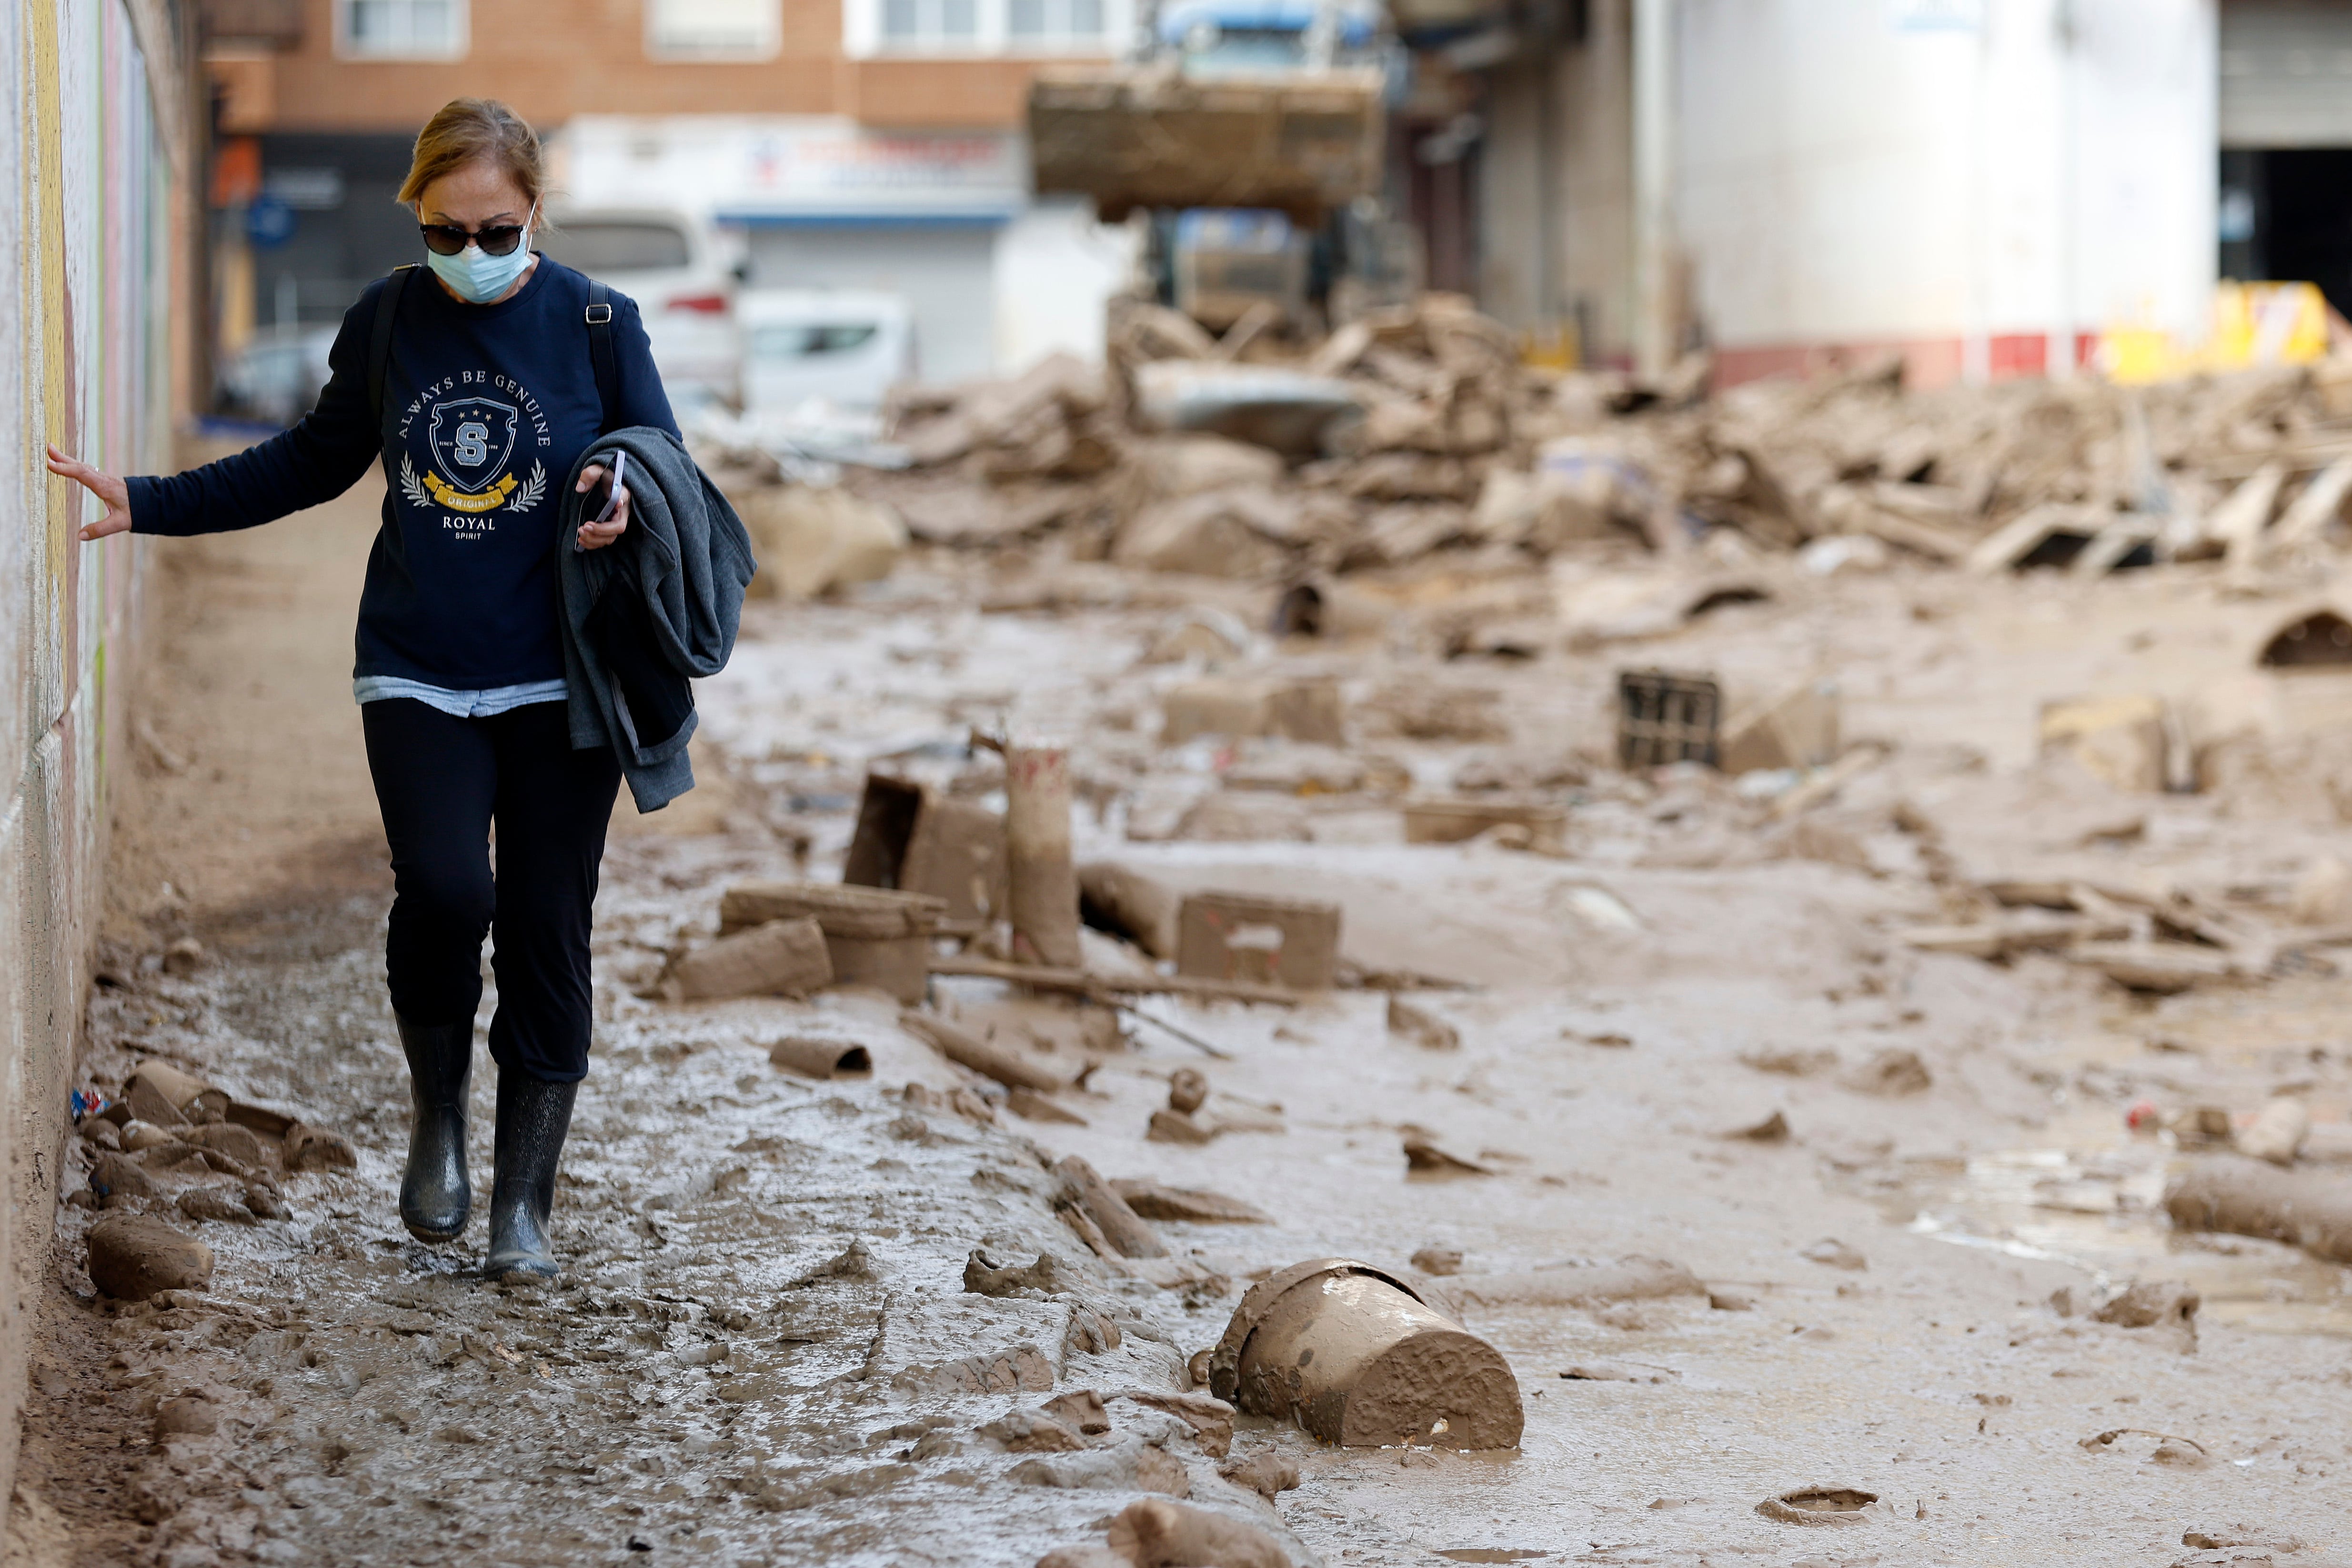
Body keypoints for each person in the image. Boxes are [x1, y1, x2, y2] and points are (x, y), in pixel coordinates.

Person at [46, 98, 680, 1281]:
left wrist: (625, 489)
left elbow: (663, 454)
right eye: (449, 231)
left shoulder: (601, 323)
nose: (474, 256)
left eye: (497, 232)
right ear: (419, 215)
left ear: (534, 212)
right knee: (445, 893)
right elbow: (308, 459)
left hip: (565, 681)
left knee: (548, 923)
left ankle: (523, 1207)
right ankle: (438, 1112)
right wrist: (150, 499)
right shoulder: (390, 319)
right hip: (419, 670)